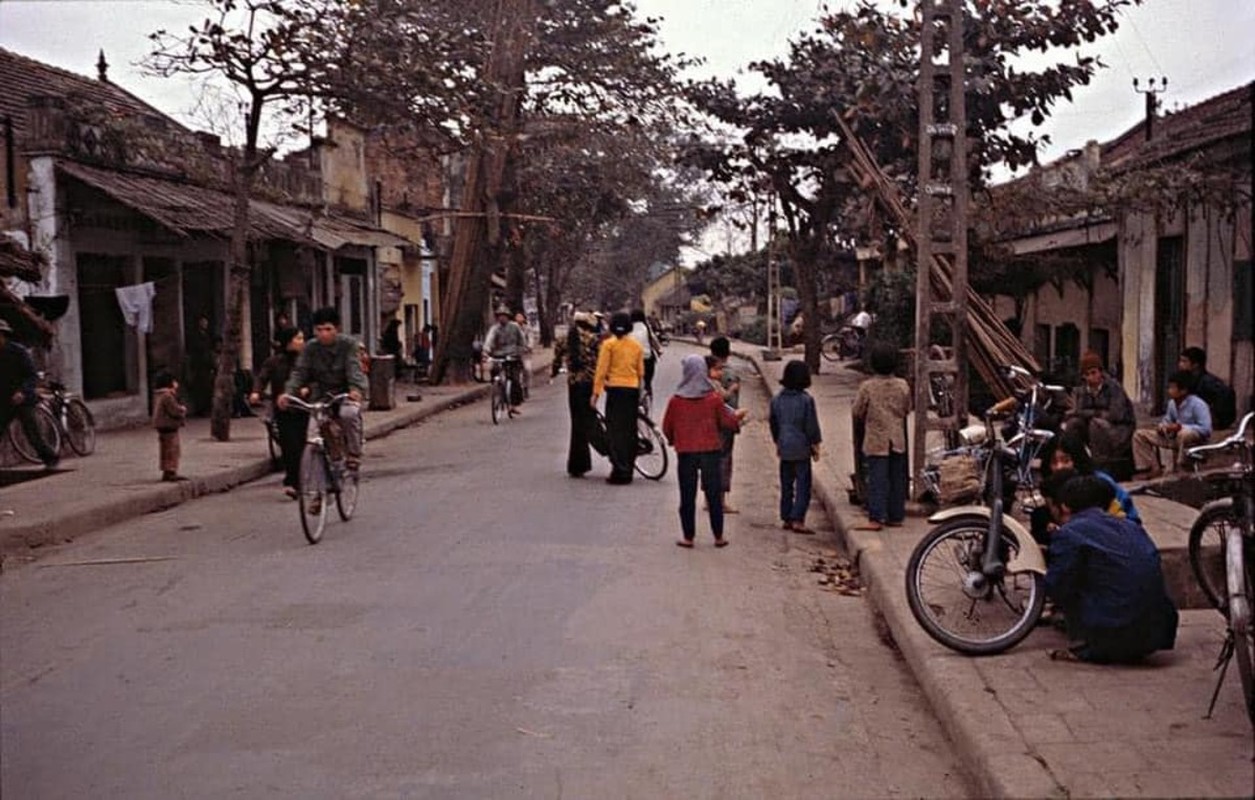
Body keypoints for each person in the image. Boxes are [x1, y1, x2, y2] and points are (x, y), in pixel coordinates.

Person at [1040, 472, 1178, 664]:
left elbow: (1056, 585)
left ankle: (1095, 647)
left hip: (1117, 631)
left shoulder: (1070, 533)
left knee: (1067, 581)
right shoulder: (1129, 525)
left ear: (1064, 506)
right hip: (1158, 631)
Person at [662, 354, 747, 547]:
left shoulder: (676, 400)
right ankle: (718, 536)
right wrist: (738, 420)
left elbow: (667, 426)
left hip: (686, 453)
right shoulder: (713, 399)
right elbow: (726, 421)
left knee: (687, 495)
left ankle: (688, 537)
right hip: (710, 451)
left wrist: (673, 440)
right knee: (713, 493)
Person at [280, 306, 368, 481]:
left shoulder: (348, 345)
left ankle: (353, 454)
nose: (323, 334)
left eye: (328, 329)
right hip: (321, 395)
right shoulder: (310, 348)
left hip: (345, 393)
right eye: (319, 330)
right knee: (313, 435)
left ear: (337, 329)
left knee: (348, 414)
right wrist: (288, 392)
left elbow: (353, 369)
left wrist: (355, 390)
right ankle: (316, 488)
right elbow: (300, 372)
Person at [851, 343, 911, 531]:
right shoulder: (902, 385)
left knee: (877, 478)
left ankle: (876, 517)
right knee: (897, 478)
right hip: (897, 439)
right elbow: (907, 408)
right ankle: (896, 515)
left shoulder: (867, 387)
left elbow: (857, 411)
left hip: (876, 440)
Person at [250, 327, 308, 499]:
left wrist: (307, 389)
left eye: (302, 338)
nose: (301, 342)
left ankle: (298, 480)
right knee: (289, 447)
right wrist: (256, 392)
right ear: (288, 341)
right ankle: (294, 480)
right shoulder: (274, 362)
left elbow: (314, 379)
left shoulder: (305, 361)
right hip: (282, 410)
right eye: (298, 338)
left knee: (300, 445)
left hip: (302, 409)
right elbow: (262, 378)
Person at [770, 359, 823, 534]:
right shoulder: (806, 400)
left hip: (784, 445)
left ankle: (786, 516)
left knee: (786, 484)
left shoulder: (777, 400)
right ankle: (798, 518)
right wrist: (815, 444)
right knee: (802, 484)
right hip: (801, 447)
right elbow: (811, 426)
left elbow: (773, 423)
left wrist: (778, 441)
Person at [592, 311, 644, 485]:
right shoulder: (636, 346)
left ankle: (619, 469)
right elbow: (641, 372)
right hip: (632, 390)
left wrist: (596, 394)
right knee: (629, 430)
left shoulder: (608, 345)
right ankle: (628, 468)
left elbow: (601, 371)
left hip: (615, 390)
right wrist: (641, 391)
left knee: (615, 431)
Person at [1063, 351, 1136, 472]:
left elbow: (1115, 415)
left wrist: (1091, 414)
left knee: (1096, 424)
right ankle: (1079, 463)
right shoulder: (1082, 390)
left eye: (1094, 373)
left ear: (1100, 372)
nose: (1091, 377)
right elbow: (1078, 411)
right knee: (1073, 424)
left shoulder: (1113, 387)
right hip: (1094, 424)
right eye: (1087, 374)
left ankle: (1100, 467)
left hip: (1120, 429)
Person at [0, 319, 59, 468]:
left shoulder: (18, 351)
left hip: (23, 399)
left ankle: (50, 458)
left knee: (33, 434)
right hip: (3, 399)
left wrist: (22, 391)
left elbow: (32, 375)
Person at [1132, 370, 1212, 478]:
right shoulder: (1172, 404)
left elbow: (1206, 428)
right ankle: (1151, 468)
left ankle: (1182, 467)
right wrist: (1163, 427)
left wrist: (1181, 427)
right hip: (1173, 437)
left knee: (1184, 434)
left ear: (1183, 390)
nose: (1169, 391)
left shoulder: (1198, 405)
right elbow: (1167, 420)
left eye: (1172, 388)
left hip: (1193, 438)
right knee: (1139, 435)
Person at [551, 311, 601, 477]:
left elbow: (556, 361)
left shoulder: (563, 339)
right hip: (589, 384)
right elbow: (601, 360)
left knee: (577, 423)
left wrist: (554, 372)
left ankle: (577, 463)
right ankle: (606, 448)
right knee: (589, 420)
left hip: (573, 385)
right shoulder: (593, 339)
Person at [709, 336, 741, 514]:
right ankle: (720, 501)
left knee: (709, 459)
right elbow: (730, 402)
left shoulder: (707, 371)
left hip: (707, 421)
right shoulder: (729, 374)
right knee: (723, 458)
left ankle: (708, 498)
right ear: (727, 353)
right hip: (724, 422)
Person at [482, 305, 527, 413]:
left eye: (504, 316)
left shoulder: (515, 327)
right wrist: (486, 351)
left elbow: (522, 342)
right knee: (494, 371)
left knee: (515, 379)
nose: (502, 318)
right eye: (500, 316)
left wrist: (521, 350)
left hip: (513, 355)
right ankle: (497, 391)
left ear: (508, 317)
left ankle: (513, 404)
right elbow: (489, 340)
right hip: (499, 355)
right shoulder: (495, 329)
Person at [1178, 347, 1236, 430]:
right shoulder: (1189, 380)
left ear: (1195, 364)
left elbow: (1226, 394)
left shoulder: (1208, 382)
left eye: (1184, 361)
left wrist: (1217, 419)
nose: (1180, 364)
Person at [151, 370, 188, 482]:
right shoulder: (167, 396)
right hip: (169, 426)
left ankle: (167, 470)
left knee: (166, 449)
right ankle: (170, 470)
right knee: (172, 449)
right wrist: (182, 409)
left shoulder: (158, 395)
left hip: (162, 426)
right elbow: (174, 411)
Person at [185, 314, 218, 416]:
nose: (205, 324)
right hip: (199, 365)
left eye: (206, 323)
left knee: (207, 388)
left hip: (206, 366)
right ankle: (200, 409)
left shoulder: (206, 336)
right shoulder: (195, 336)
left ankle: (206, 408)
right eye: (203, 322)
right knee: (200, 389)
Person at [629, 309, 662, 398]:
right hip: (647, 358)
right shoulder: (646, 327)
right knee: (648, 379)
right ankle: (647, 389)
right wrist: (659, 350)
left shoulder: (629, 327)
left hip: (632, 359)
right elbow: (653, 339)